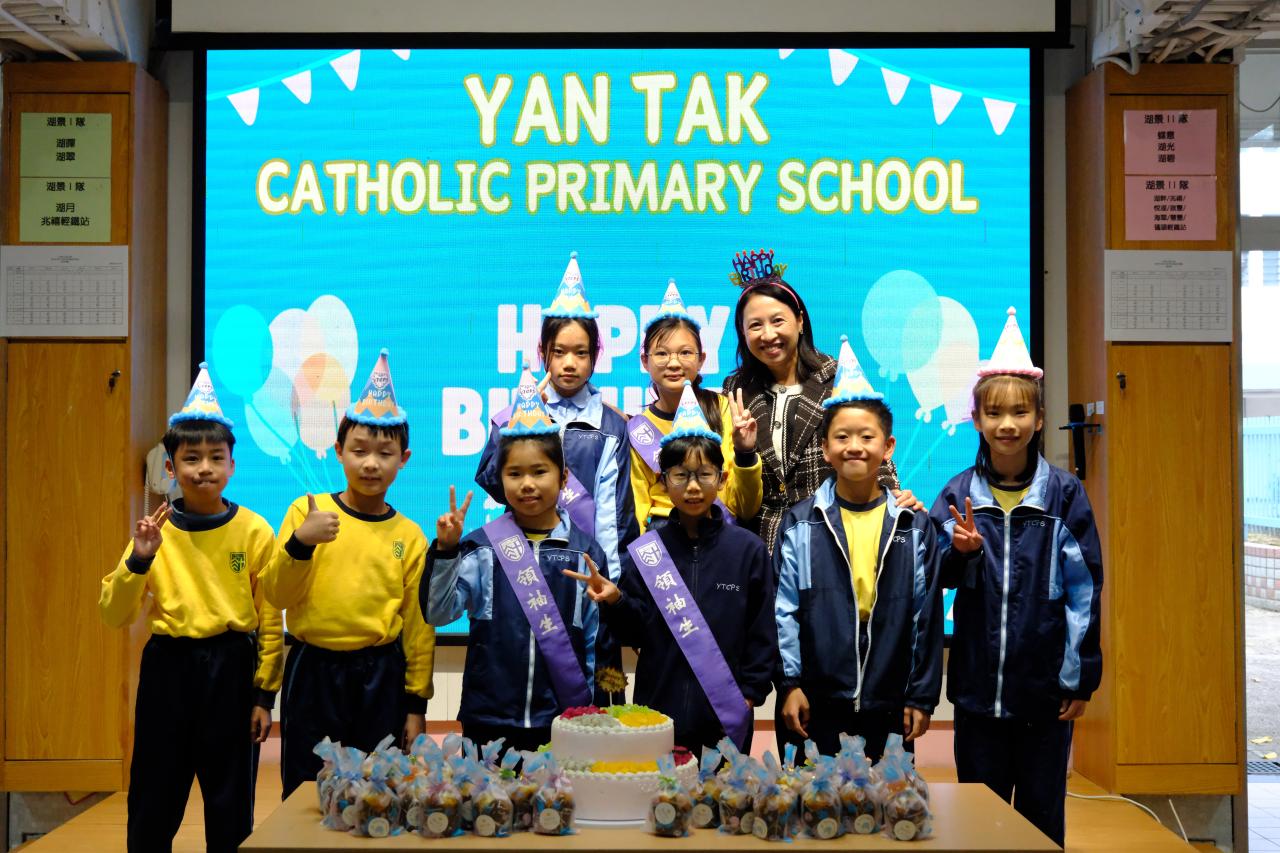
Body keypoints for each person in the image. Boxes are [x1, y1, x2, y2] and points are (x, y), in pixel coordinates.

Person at [929, 308, 1102, 847]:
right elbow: (933, 577)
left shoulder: (1064, 495)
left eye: (1020, 411)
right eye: (995, 412)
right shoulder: (958, 494)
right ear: (976, 419)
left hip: (1044, 695)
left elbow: (1084, 592)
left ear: (1039, 419)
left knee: (1040, 820)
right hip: (977, 694)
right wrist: (960, 554)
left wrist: (1079, 678)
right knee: (978, 821)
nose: (1008, 424)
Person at [100, 363, 283, 852]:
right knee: (153, 798)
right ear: (170, 468)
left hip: (231, 668)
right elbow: (114, 613)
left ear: (232, 466)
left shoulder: (254, 531)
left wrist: (264, 696)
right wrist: (140, 559)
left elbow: (270, 619)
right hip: (169, 669)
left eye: (215, 458)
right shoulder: (154, 532)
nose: (204, 468)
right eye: (191, 458)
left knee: (230, 804)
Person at [262, 349, 436, 799]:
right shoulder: (307, 512)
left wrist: (416, 703)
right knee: (306, 791)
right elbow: (276, 594)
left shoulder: (409, 535)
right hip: (313, 672)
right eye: (359, 450)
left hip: (380, 677)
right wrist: (301, 543)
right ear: (339, 451)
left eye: (385, 453)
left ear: (404, 458)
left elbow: (418, 627)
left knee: (378, 792)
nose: (371, 463)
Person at [566, 381, 776, 753]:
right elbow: (637, 632)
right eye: (680, 475)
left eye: (704, 474)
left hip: (727, 713)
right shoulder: (646, 552)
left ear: (722, 479)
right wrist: (615, 600)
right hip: (657, 713)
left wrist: (750, 693)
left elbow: (762, 631)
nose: (693, 486)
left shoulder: (748, 551)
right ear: (663, 481)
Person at [774, 337, 943, 759]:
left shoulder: (914, 526)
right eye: (842, 436)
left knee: (889, 800)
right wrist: (789, 685)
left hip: (890, 702)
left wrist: (921, 696)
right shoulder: (800, 523)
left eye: (867, 436)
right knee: (813, 799)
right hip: (816, 703)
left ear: (887, 447)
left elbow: (926, 618)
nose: (854, 446)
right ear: (825, 449)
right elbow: (783, 611)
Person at [425, 364, 608, 751]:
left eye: (539, 472)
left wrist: (592, 714)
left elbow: (594, 643)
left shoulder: (586, 553)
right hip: (487, 721)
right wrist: (445, 551)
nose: (527, 484)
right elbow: (439, 614)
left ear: (563, 477)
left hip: (562, 723)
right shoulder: (481, 548)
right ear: (500, 479)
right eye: (514, 474)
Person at [476, 251, 638, 583]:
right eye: (559, 352)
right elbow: (493, 482)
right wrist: (517, 417)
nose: (569, 363)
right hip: (523, 562)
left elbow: (614, 517)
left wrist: (610, 582)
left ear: (596, 356)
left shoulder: (611, 427)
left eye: (581, 353)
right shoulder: (519, 416)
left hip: (584, 569)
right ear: (542, 353)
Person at [629, 278, 761, 531]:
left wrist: (745, 454)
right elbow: (637, 508)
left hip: (720, 533)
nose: (674, 363)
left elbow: (746, 507)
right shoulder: (639, 429)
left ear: (702, 359)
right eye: (662, 353)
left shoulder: (724, 410)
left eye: (685, 353)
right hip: (664, 538)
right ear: (645, 361)